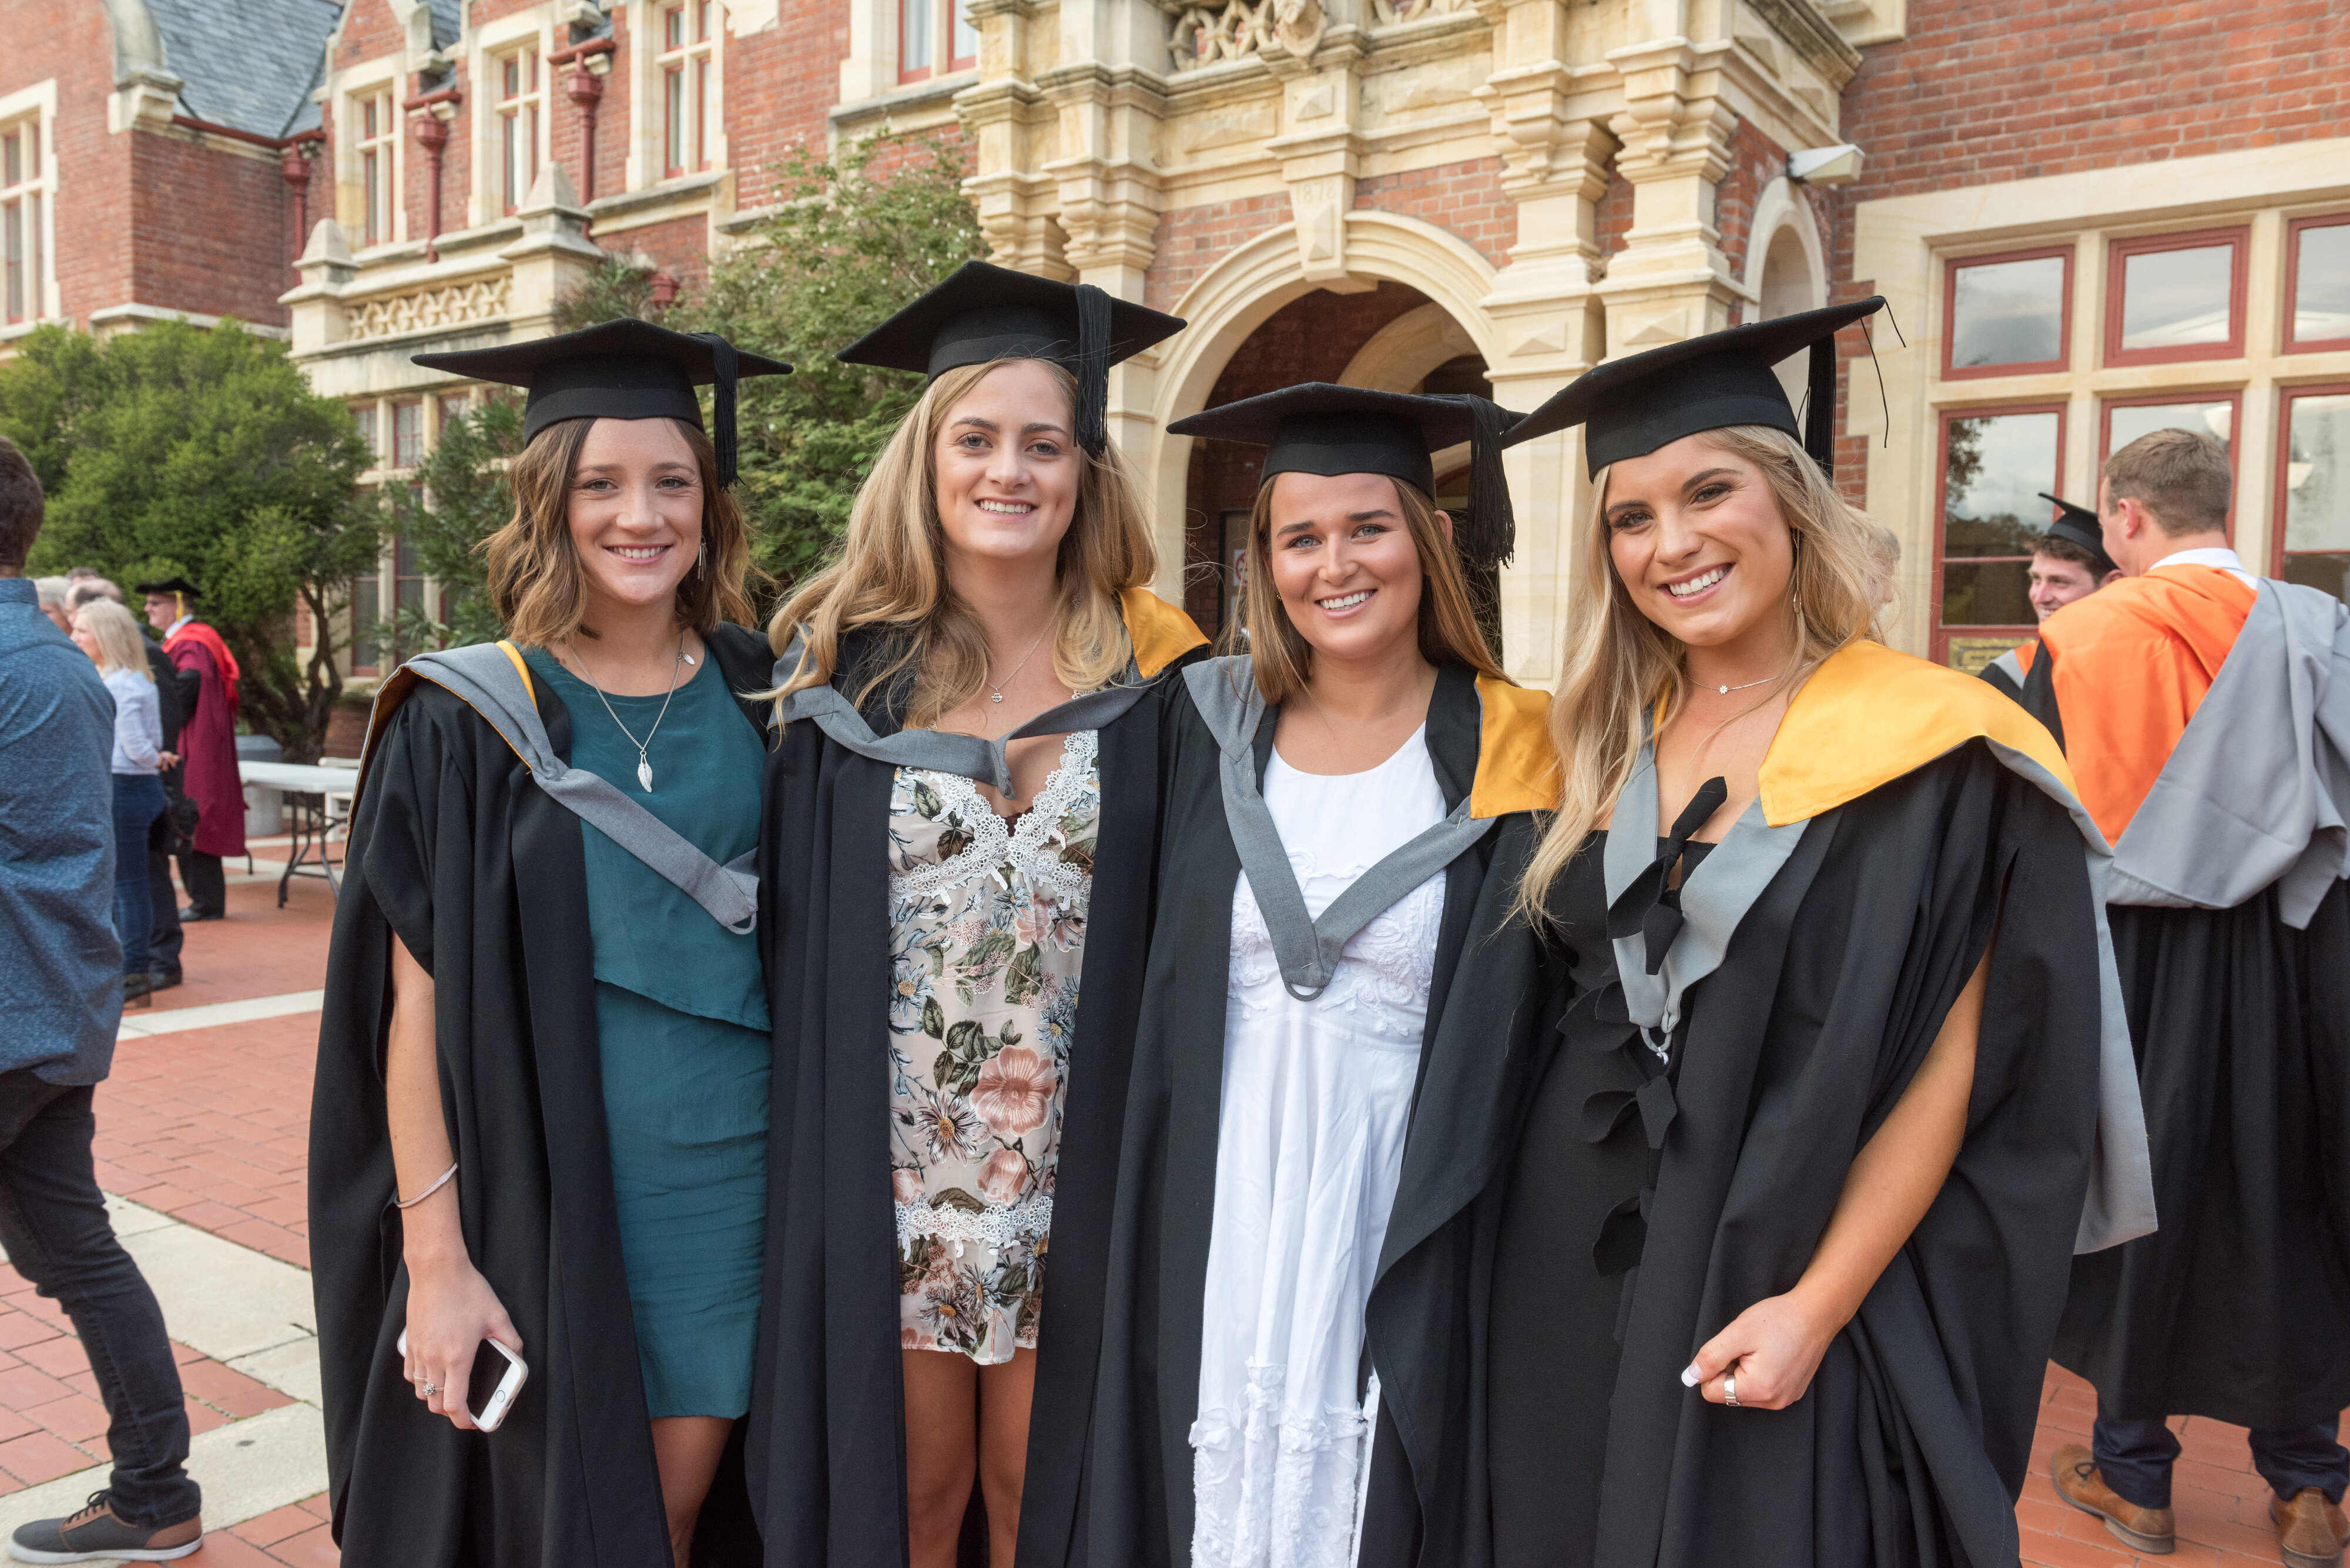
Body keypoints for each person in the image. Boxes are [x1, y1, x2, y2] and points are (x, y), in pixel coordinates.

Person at [1480, 301, 2154, 1568]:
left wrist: (1814, 1303)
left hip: (1773, 1256)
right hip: (1554, 1261)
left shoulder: (1938, 749)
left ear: (1790, 500)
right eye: (1631, 516)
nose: (1670, 542)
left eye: (1708, 491)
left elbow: (1951, 1073)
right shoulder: (1584, 747)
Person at [309, 320, 792, 1566]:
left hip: (730, 1178)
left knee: (670, 1513)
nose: (642, 514)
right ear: (548, 503)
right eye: (602, 484)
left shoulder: (772, 689)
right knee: (548, 1518)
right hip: (543, 1175)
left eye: (672, 481)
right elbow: (408, 1014)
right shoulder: (468, 717)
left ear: (708, 501)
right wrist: (437, 1258)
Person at [749, 260, 1202, 1568]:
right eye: (977, 439)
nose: (1009, 471)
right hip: (890, 1169)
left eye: (1043, 444)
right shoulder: (840, 678)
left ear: (1084, 472)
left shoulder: (1161, 681)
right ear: (927, 459)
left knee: (1039, 1492)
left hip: (1082, 1160)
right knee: (909, 1493)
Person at [1082, 384, 1554, 1568]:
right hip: (1220, 1184)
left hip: (1396, 1194)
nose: (1334, 563)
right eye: (1300, 537)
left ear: (1430, 541)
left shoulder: (1525, 747)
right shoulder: (1200, 727)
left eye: (1367, 527)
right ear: (1264, 561)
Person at [2017, 429, 2350, 1568]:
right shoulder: (2319, 630)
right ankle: (2310, 1485)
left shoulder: (2077, 637)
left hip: (2133, 959)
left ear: (2120, 520)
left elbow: (2030, 833)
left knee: (2134, 1200)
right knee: (2290, 1200)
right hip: (2293, 962)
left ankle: (2133, 1474)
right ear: (2223, 508)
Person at [0, 435, 206, 1560]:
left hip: (16, 1012)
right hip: (46, 1008)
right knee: (80, 1253)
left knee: (80, 1256)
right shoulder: (47, 657)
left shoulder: (23, 664)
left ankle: (156, 1486)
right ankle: (156, 1491)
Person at [69, 578, 192, 993]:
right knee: (129, 883)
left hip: (126, 785)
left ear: (105, 635)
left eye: (81, 630)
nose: (74, 637)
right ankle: (131, 965)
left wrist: (154, 757)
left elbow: (138, 743)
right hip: (131, 785)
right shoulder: (130, 677)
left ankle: (134, 969)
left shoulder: (120, 682)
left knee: (129, 885)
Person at [134, 576, 240, 924]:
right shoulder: (189, 639)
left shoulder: (192, 642)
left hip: (193, 741)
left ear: (177, 605)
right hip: (196, 738)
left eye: (155, 603)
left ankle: (206, 902)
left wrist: (156, 714)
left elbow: (188, 684)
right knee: (194, 814)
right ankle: (204, 900)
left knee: (195, 813)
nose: (148, 609)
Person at [1981, 493, 2121, 698]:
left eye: (2060, 582)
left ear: (2112, 585)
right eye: (2036, 579)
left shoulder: (2139, 668)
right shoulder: (2006, 676)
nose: (2040, 597)